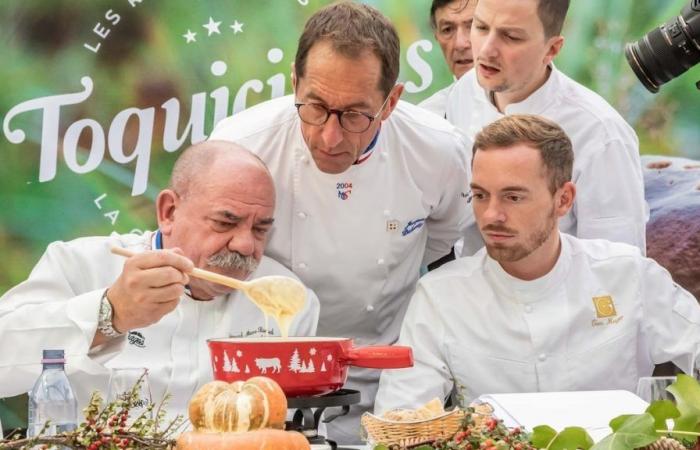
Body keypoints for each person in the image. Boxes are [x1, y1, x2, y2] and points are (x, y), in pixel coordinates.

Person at [209, 1, 470, 442]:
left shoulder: (439, 152)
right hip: (264, 383)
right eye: (314, 107)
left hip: (383, 378)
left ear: (391, 103)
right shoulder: (240, 147)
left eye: (354, 115)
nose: (329, 136)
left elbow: (443, 237)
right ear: (294, 81)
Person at [374, 115, 700, 413]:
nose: (491, 216)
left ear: (564, 200)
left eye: (513, 197)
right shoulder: (441, 297)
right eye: (481, 195)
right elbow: (400, 421)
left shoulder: (628, 275)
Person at [0, 141, 320, 420]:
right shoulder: (81, 265)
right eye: (226, 222)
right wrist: (110, 314)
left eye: (260, 229)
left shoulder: (286, 299)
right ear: (169, 212)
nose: (246, 245)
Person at [445, 0, 647, 257]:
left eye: (511, 36)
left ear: (551, 49)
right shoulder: (464, 92)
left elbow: (619, 263)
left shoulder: (600, 134)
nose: (486, 50)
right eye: (481, 27)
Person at [419, 0, 478, 117]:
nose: (460, 44)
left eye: (472, 27)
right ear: (437, 37)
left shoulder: (523, 106)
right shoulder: (425, 119)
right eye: (447, 29)